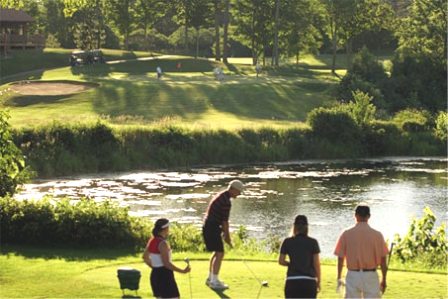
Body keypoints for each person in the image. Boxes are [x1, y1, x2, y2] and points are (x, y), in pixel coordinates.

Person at [334, 205, 389, 299]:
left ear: (355, 215)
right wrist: (384, 278)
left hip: (353, 274)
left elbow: (340, 258)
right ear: (369, 216)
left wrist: (339, 276)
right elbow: (383, 260)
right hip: (370, 275)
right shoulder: (377, 235)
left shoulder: (346, 233)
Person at [202, 180, 244, 290]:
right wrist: (228, 237)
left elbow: (222, 221)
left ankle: (211, 278)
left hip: (210, 226)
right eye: (238, 192)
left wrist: (225, 235)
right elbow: (225, 222)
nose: (239, 194)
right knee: (220, 253)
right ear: (233, 189)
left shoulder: (222, 196)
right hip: (212, 227)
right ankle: (214, 281)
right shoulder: (226, 201)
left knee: (217, 252)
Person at [143, 218, 191, 298]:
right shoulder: (163, 243)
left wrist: (155, 267)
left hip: (155, 275)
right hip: (165, 276)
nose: (169, 230)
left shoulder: (152, 241)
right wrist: (182, 271)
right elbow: (166, 264)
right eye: (168, 228)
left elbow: (145, 257)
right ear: (165, 229)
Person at [278, 215, 321, 299]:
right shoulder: (313, 242)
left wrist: (291, 264)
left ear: (294, 227)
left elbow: (281, 261)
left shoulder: (287, 241)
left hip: (292, 281)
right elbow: (316, 264)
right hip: (309, 281)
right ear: (306, 227)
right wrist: (318, 280)